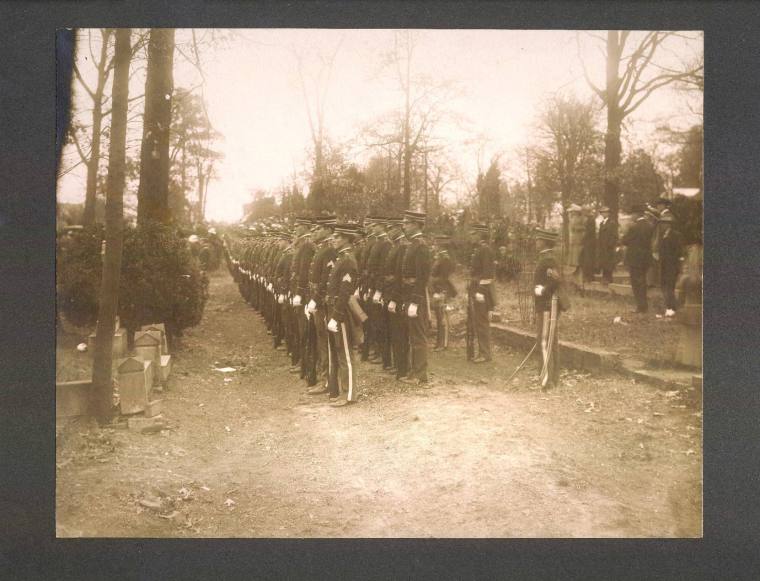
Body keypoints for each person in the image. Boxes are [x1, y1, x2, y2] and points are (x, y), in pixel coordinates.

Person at [325, 223, 361, 407]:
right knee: (339, 351)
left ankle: (350, 394)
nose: (334, 239)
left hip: (342, 312)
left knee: (346, 353)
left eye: (338, 237)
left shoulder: (347, 260)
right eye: (334, 236)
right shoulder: (341, 258)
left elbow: (345, 292)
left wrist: (336, 316)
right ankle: (343, 390)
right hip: (334, 309)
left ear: (346, 238)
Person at [399, 210, 432, 385]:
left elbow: (422, 277)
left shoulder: (421, 246)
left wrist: (415, 301)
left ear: (417, 225)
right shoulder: (412, 244)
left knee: (418, 335)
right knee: (413, 335)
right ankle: (414, 372)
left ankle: (421, 375)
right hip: (409, 293)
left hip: (415, 295)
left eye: (407, 223)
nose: (404, 226)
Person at [533, 228, 564, 389]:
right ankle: (552, 378)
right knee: (551, 341)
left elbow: (557, 280)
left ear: (544, 242)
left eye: (539, 239)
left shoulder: (549, 260)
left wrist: (543, 290)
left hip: (547, 305)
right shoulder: (546, 258)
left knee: (544, 342)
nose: (536, 242)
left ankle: (547, 379)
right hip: (545, 305)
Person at [468, 224, 496, 363]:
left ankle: (485, 354)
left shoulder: (485, 250)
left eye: (474, 234)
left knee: (482, 322)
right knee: (478, 321)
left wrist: (480, 291)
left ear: (480, 235)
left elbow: (488, 274)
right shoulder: (479, 249)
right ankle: (483, 352)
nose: (472, 236)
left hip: (482, 290)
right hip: (477, 288)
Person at [621, 204, 654, 314]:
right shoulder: (649, 225)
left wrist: (626, 231)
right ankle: (643, 306)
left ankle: (641, 306)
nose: (631, 216)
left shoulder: (634, 227)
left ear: (637, 214)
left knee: (636, 282)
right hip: (645, 257)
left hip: (635, 258)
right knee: (643, 281)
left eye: (632, 214)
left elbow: (625, 241)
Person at [430, 235, 457, 351]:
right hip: (437, 288)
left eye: (436, 244)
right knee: (438, 315)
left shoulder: (445, 259)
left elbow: (444, 277)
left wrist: (432, 281)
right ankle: (439, 342)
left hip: (442, 289)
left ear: (440, 245)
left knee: (442, 317)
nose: (434, 246)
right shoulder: (439, 257)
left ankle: (444, 343)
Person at [657, 213, 684, 317]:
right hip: (664, 264)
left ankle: (672, 307)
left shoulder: (676, 235)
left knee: (670, 286)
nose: (662, 225)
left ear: (669, 224)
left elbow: (678, 251)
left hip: (672, 265)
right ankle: (669, 306)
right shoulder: (663, 235)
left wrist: (676, 263)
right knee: (664, 285)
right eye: (661, 223)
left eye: (664, 223)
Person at [596, 206, 618, 284]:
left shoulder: (612, 223)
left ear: (609, 213)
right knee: (604, 263)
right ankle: (605, 278)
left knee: (609, 264)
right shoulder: (602, 223)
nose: (604, 214)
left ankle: (609, 279)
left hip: (608, 247)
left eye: (605, 212)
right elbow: (601, 236)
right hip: (603, 247)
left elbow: (614, 236)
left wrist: (610, 245)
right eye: (602, 212)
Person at [579, 206, 597, 283]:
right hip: (588, 242)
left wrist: (582, 239)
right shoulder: (589, 219)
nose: (582, 213)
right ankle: (588, 276)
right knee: (586, 259)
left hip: (590, 242)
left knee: (588, 260)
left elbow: (589, 232)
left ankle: (589, 277)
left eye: (583, 212)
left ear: (587, 212)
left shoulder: (591, 220)